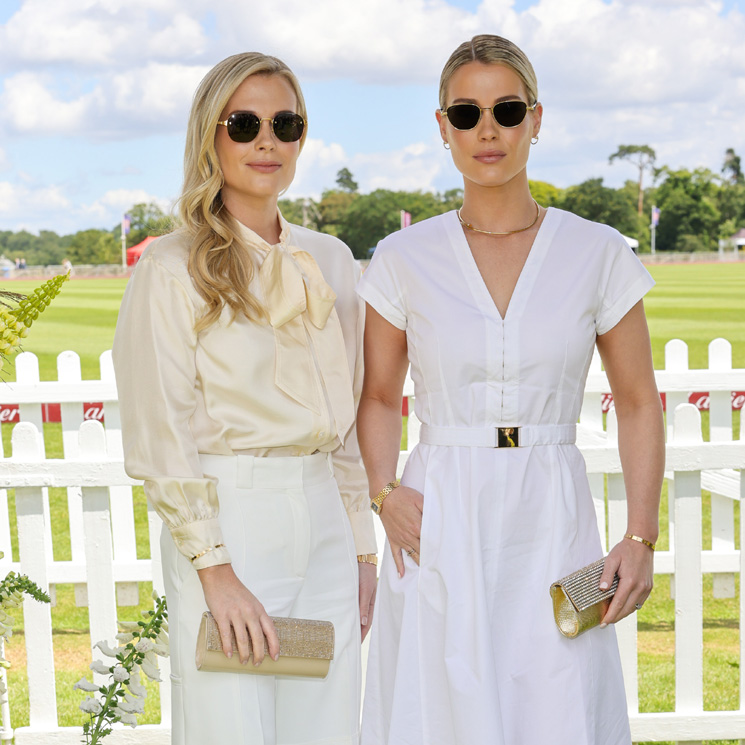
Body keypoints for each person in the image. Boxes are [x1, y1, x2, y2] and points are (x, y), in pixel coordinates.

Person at [357, 34, 664, 745]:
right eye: (465, 113)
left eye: (506, 108)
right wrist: (383, 493)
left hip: (552, 507)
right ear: (442, 127)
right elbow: (377, 395)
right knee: (436, 707)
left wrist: (640, 535)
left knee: (558, 699)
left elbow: (639, 399)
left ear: (535, 117)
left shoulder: (598, 252)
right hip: (436, 509)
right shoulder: (404, 257)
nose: (486, 129)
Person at [112, 52, 377, 745]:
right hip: (230, 521)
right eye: (245, 123)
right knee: (228, 727)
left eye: (285, 123)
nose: (267, 141)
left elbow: (345, 427)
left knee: (326, 727)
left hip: (322, 518)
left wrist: (361, 552)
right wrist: (214, 571)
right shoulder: (171, 268)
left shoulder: (333, 260)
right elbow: (158, 434)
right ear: (211, 134)